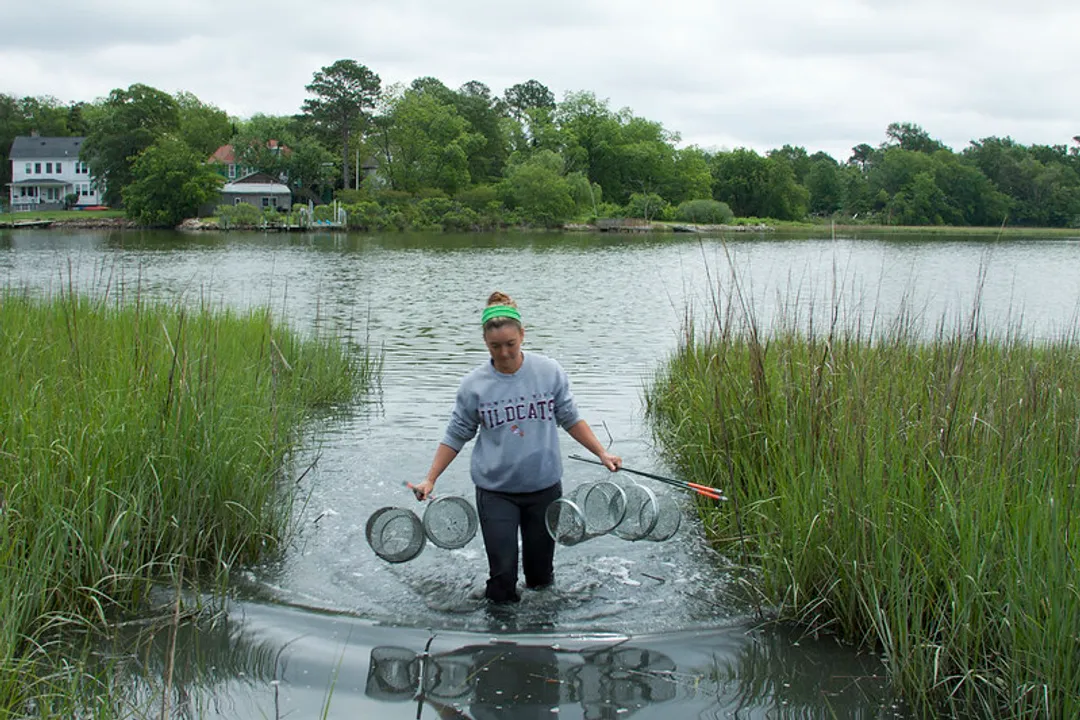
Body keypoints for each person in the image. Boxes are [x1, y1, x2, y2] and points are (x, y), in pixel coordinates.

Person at [410, 291, 621, 603]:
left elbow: (570, 418)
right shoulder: (474, 386)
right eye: (496, 346)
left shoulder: (549, 372)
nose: (505, 353)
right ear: (485, 342)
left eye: (511, 344)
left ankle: (538, 642)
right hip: (496, 492)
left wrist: (601, 452)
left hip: (544, 488)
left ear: (523, 335)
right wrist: (431, 478)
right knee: (503, 578)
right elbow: (456, 434)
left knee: (540, 579)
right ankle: (498, 642)